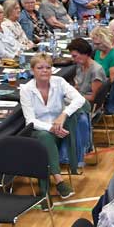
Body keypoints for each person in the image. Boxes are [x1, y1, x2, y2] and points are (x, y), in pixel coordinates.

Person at [19, 54, 86, 198]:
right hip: (39, 130)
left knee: (46, 142)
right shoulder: (26, 89)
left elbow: (80, 99)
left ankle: (45, 192)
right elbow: (30, 121)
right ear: (32, 70)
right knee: (45, 137)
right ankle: (59, 180)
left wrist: (63, 114)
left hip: (59, 129)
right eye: (40, 68)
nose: (45, 71)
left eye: (48, 67)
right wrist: (51, 128)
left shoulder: (59, 82)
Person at [68, 38, 106, 103]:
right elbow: (78, 85)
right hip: (79, 97)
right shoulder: (80, 65)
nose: (73, 59)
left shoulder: (96, 71)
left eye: (75, 56)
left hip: (86, 103)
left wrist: (74, 97)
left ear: (85, 53)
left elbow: (93, 98)